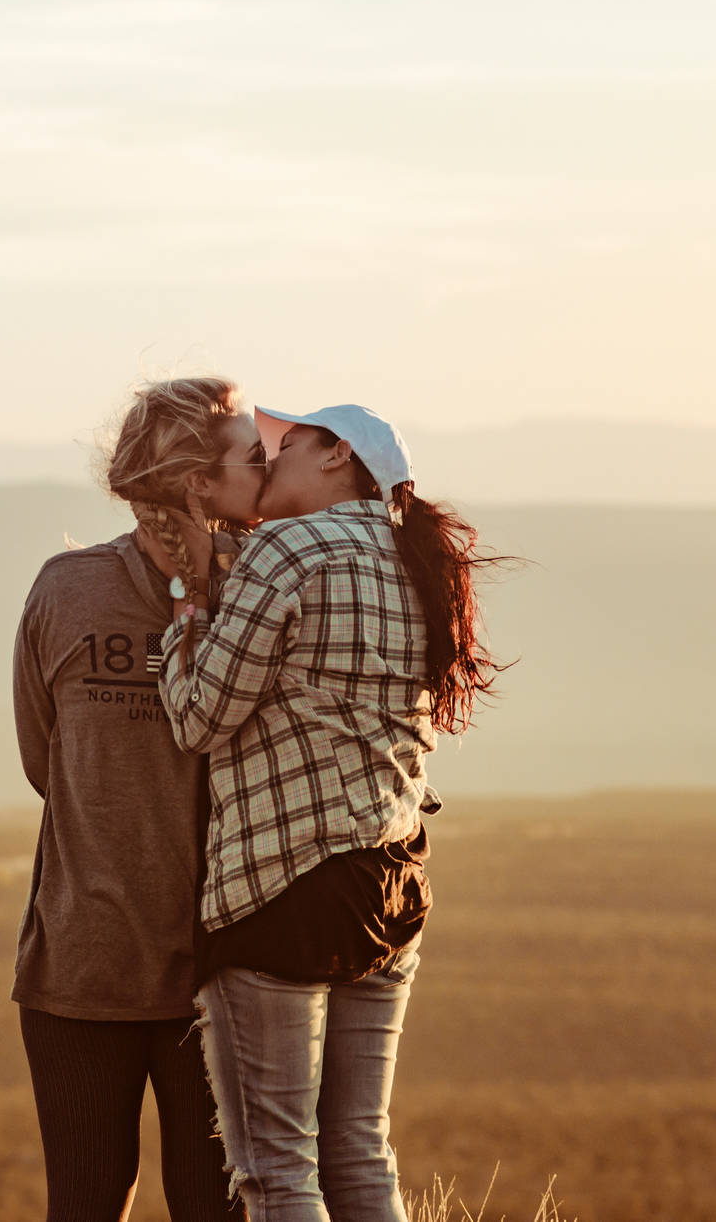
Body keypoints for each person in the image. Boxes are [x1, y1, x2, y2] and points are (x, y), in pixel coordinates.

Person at [147, 403, 509, 1221]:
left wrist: (182, 625)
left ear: (340, 454)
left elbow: (202, 717)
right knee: (359, 1151)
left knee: (277, 1168)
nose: (269, 461)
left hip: (284, 884)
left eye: (287, 445)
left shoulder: (288, 549)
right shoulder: (419, 561)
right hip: (394, 881)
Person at [10, 376, 270, 1222]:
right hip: (81, 974)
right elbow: (46, 763)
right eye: (251, 456)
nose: (266, 470)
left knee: (215, 1209)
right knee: (84, 1204)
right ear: (197, 478)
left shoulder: (265, 594)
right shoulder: (67, 589)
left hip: (224, 979)